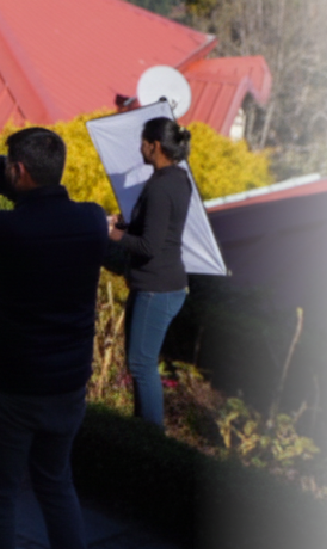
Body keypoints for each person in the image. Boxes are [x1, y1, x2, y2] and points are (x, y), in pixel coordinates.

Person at [0, 128, 108, 549]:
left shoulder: (2, 228)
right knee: (56, 483)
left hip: (12, 386)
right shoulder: (90, 219)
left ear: (17, 170)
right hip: (68, 384)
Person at [107, 116, 192, 429]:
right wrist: (127, 225)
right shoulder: (177, 179)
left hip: (156, 287)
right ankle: (143, 432)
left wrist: (115, 236)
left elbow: (149, 245)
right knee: (139, 361)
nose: (140, 147)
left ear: (155, 146)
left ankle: (151, 438)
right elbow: (160, 229)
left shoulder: (160, 187)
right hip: (164, 284)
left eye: (143, 141)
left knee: (142, 365)